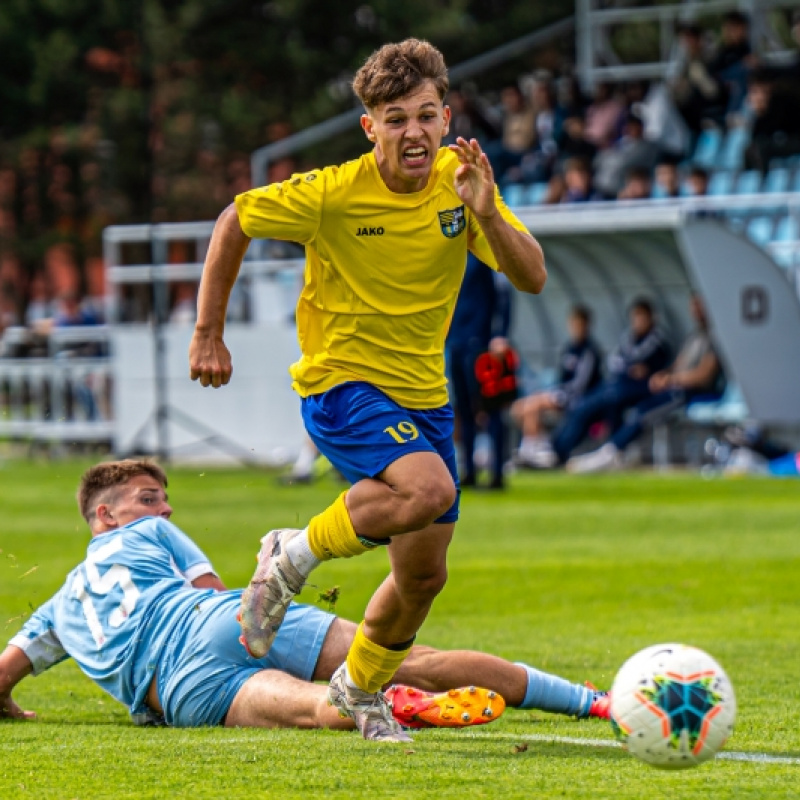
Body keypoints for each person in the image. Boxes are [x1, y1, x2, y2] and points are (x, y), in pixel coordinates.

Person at [188, 39, 547, 743]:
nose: (413, 131)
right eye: (394, 118)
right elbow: (234, 221)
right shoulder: (331, 193)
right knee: (430, 490)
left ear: (445, 118)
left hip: (423, 398)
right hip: (341, 383)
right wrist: (208, 332)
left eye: (425, 115)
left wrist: (490, 212)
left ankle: (357, 689)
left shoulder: (461, 180)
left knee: (421, 581)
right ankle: (291, 555)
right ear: (369, 127)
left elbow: (532, 276)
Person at [0, 460, 610, 730]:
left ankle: (390, 705)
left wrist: (9, 704)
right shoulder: (152, 533)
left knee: (322, 710)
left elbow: (2, 678)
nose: (164, 507)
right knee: (418, 658)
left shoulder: (56, 609)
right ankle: (591, 701)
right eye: (147, 497)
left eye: (162, 498)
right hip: (218, 618)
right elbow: (220, 594)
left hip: (183, 685)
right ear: (104, 514)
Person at [567, 295, 724, 473]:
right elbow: (677, 366)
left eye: (699, 305)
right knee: (619, 400)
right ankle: (615, 451)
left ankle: (610, 453)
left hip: (691, 393)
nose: (695, 310)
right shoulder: (694, 336)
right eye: (694, 305)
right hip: (675, 388)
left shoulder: (714, 337)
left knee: (641, 412)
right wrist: (663, 376)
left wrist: (671, 380)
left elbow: (705, 376)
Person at [527, 298, 671, 468]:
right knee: (584, 407)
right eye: (635, 317)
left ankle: (605, 451)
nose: (637, 322)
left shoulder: (656, 341)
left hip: (639, 390)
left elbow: (637, 364)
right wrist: (630, 368)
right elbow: (616, 362)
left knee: (598, 402)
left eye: (641, 317)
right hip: (618, 387)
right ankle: (556, 450)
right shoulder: (627, 338)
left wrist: (631, 368)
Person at [446, 253, 513, 490]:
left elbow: (505, 294)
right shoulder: (450, 256)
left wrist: (500, 333)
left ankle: (497, 473)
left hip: (481, 344)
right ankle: (469, 471)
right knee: (463, 411)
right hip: (455, 343)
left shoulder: (484, 255)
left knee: (490, 409)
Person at [513, 305, 602, 468]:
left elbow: (580, 384)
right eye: (574, 324)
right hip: (562, 392)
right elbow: (562, 377)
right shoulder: (569, 348)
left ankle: (533, 451)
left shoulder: (590, 351)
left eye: (579, 325)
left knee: (533, 405)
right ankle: (539, 448)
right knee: (519, 408)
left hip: (578, 399)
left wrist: (557, 393)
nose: (576, 329)